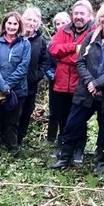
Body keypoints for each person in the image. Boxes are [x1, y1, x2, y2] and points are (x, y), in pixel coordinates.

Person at [51, 2, 104, 171]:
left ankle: (101, 162)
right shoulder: (91, 38)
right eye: (102, 16)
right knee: (72, 123)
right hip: (86, 91)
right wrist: (90, 82)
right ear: (97, 19)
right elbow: (80, 61)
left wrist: (98, 83)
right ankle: (65, 158)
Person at [48, 0, 95, 166]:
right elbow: (53, 49)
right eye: (76, 13)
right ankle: (62, 145)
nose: (79, 17)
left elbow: (86, 57)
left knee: (78, 119)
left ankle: (78, 148)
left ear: (89, 15)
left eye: (82, 13)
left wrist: (67, 55)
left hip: (80, 83)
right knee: (62, 117)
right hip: (61, 83)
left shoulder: (94, 31)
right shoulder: (64, 29)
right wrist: (74, 47)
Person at [0, 11, 31, 155]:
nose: (11, 26)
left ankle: (12, 148)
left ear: (19, 26)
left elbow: (23, 67)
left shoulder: (25, 43)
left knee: (12, 122)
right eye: (9, 23)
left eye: (15, 24)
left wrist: (8, 87)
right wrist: (2, 86)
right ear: (4, 24)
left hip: (17, 90)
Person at [17, 8, 53, 148]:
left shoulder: (40, 41)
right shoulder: (15, 36)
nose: (31, 23)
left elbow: (45, 61)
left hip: (30, 85)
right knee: (13, 112)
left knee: (26, 112)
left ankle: (20, 139)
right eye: (29, 19)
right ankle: (7, 139)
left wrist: (37, 76)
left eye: (34, 21)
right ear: (23, 20)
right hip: (13, 85)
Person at [45, 12, 70, 145]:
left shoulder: (74, 40)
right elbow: (46, 64)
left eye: (63, 23)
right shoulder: (51, 43)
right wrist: (54, 77)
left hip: (70, 83)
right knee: (54, 111)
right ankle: (51, 139)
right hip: (55, 82)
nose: (60, 26)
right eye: (58, 24)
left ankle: (66, 138)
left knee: (68, 112)